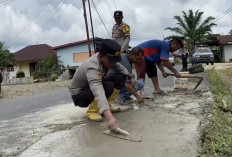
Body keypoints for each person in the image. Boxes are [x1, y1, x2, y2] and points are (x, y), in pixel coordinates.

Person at [69, 39, 137, 130]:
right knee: (107, 86)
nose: (113, 63)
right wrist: (110, 117)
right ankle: (92, 111)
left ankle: (107, 106)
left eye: (115, 60)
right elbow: (98, 90)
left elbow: (118, 66)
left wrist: (130, 77)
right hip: (80, 95)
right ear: (101, 56)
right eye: (111, 61)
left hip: (89, 88)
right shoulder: (92, 66)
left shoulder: (105, 59)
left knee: (120, 77)